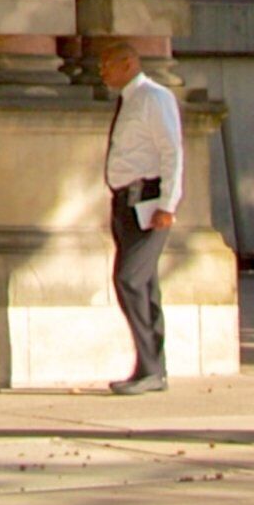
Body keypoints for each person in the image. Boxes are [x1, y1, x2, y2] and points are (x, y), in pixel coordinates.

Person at [98, 38, 181, 394]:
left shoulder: (153, 98)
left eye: (108, 66)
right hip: (125, 202)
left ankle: (150, 367)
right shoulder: (128, 100)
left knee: (130, 279)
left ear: (128, 63)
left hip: (148, 201)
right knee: (144, 285)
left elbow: (172, 151)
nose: (103, 73)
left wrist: (168, 203)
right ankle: (151, 369)